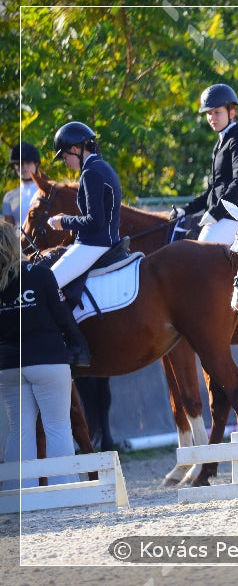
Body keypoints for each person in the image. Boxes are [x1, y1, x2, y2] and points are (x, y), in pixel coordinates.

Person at [0, 222, 88, 489]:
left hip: (8, 366)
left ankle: (17, 494)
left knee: (19, 430)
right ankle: (66, 490)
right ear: (15, 244)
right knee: (57, 426)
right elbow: (63, 319)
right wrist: (80, 346)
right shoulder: (40, 274)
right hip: (48, 361)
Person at [169, 84, 238, 244]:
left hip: (236, 215)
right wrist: (185, 210)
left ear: (231, 112)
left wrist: (216, 212)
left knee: (200, 255)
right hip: (221, 216)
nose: (212, 118)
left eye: (217, 112)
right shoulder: (221, 142)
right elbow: (212, 190)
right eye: (209, 113)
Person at [47, 121, 123, 289]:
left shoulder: (91, 173)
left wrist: (64, 222)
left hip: (95, 244)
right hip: (107, 239)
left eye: (65, 157)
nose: (65, 162)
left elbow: (95, 220)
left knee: (46, 286)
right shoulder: (102, 166)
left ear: (75, 149)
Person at [3, 142, 41, 227]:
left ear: (36, 163)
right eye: (19, 163)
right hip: (19, 239)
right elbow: (8, 231)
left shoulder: (50, 191)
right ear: (15, 167)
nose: (24, 167)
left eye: (28, 162)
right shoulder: (9, 197)